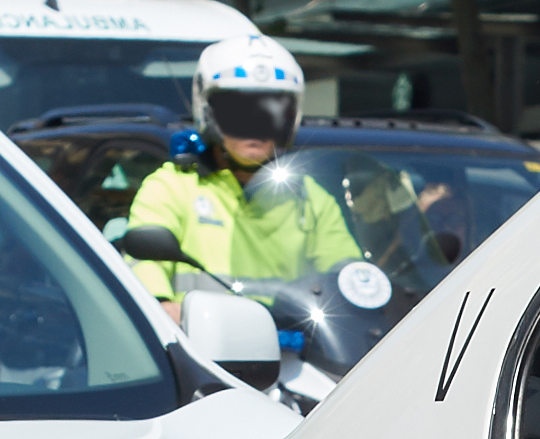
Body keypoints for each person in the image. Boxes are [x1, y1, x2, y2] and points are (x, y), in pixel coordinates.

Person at [119, 41, 361, 315]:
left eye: (272, 113)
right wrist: (163, 306)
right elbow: (144, 267)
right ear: (209, 114)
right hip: (198, 348)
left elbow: (345, 273)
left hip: (296, 349)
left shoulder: (309, 196)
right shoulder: (172, 185)